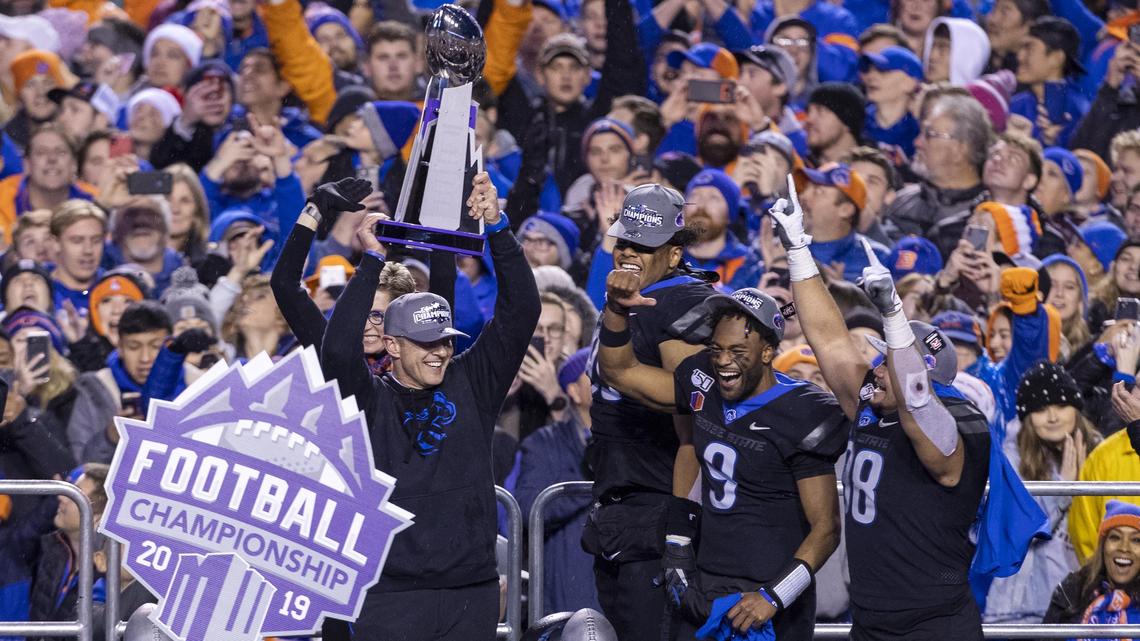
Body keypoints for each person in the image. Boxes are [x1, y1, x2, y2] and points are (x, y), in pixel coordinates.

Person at [318, 172, 540, 641]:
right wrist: (371, 259)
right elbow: (337, 349)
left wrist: (498, 229)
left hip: (469, 590)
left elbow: (521, 311)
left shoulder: (471, 381)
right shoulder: (368, 398)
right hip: (387, 594)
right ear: (393, 346)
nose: (439, 351)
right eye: (424, 343)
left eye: (444, 340)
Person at [775, 175, 992, 639]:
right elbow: (830, 339)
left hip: (934, 624)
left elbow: (917, 403)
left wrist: (895, 314)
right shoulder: (871, 406)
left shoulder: (962, 423)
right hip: (870, 620)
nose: (875, 369)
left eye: (888, 361)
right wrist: (798, 251)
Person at [597, 282, 846, 638]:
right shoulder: (705, 382)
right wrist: (617, 312)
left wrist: (775, 596)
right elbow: (621, 373)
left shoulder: (804, 411)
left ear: (767, 352)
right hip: (706, 581)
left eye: (738, 350)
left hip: (769, 592)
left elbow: (826, 529)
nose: (724, 360)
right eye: (717, 349)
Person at [581, 184, 715, 641]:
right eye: (624, 241)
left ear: (674, 254)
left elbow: (694, 418)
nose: (629, 252)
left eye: (645, 244)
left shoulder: (679, 303)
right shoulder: (627, 298)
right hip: (625, 516)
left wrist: (679, 532)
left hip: (659, 514)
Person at [514, 348, 600, 614]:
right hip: (571, 583)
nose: (606, 380)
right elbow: (529, 509)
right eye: (595, 375)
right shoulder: (542, 444)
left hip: (623, 583)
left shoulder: (633, 440)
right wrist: (592, 486)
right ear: (573, 392)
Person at [1045, 501, 1140, 626]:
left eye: (1136, 540)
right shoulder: (1073, 591)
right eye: (1115, 537)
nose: (1124, 548)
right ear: (1103, 546)